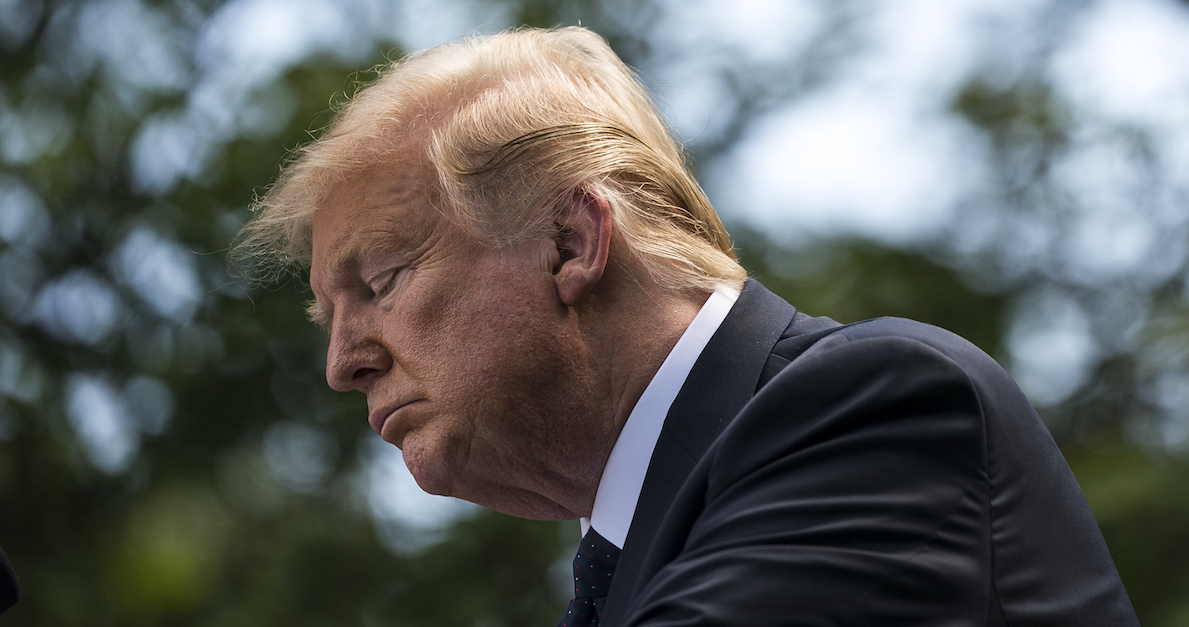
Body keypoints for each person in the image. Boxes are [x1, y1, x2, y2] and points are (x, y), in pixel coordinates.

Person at [231, 26, 1139, 626]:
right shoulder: (639, 553)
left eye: (381, 280)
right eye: (328, 313)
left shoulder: (883, 411)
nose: (341, 363)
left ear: (572, 241)